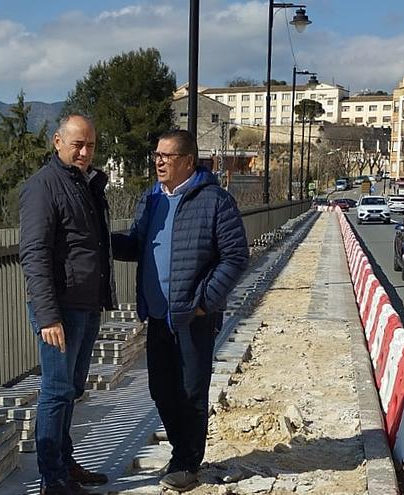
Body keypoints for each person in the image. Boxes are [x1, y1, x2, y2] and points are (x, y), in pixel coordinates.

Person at [112, 130, 249, 492]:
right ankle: (181, 451)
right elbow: (137, 246)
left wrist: (206, 301)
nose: (159, 161)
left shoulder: (215, 201)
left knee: (190, 391)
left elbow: (236, 256)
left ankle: (188, 462)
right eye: (156, 155)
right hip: (157, 315)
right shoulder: (151, 199)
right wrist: (100, 238)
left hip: (193, 316)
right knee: (161, 388)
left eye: (167, 156)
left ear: (188, 161)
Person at [19, 114, 115, 495]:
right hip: (60, 309)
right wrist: (47, 316)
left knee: (72, 389)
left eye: (90, 144)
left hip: (86, 305)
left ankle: (64, 463)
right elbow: (34, 254)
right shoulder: (44, 187)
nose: (85, 151)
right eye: (77, 144)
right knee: (56, 392)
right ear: (57, 141)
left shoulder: (85, 184)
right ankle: (52, 479)